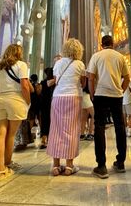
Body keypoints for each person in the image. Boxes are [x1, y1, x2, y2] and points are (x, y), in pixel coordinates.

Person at [87, 35, 130, 179]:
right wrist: (120, 91)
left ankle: (101, 166)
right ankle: (121, 162)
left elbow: (91, 77)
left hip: (100, 94)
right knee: (120, 127)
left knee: (99, 127)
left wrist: (92, 94)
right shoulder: (120, 57)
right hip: (116, 96)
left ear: (101, 44)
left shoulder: (96, 56)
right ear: (113, 44)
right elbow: (127, 78)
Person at [46, 38, 86, 176]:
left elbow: (56, 79)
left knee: (56, 129)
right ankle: (69, 166)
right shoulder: (80, 64)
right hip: (73, 97)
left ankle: (56, 166)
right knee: (72, 129)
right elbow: (83, 83)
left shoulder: (58, 63)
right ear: (78, 50)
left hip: (58, 97)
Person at [0, 44, 31, 181]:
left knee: (0, 133)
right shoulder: (21, 65)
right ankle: (7, 163)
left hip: (1, 99)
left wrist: (0, 99)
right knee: (11, 135)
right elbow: (25, 86)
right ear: (18, 53)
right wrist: (27, 101)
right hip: (16, 99)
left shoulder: (0, 67)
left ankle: (0, 171)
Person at [39, 67, 55, 149]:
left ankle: (43, 140)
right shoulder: (55, 82)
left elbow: (40, 92)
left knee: (44, 121)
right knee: (51, 121)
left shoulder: (43, 82)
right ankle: (49, 139)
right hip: (52, 103)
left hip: (44, 103)